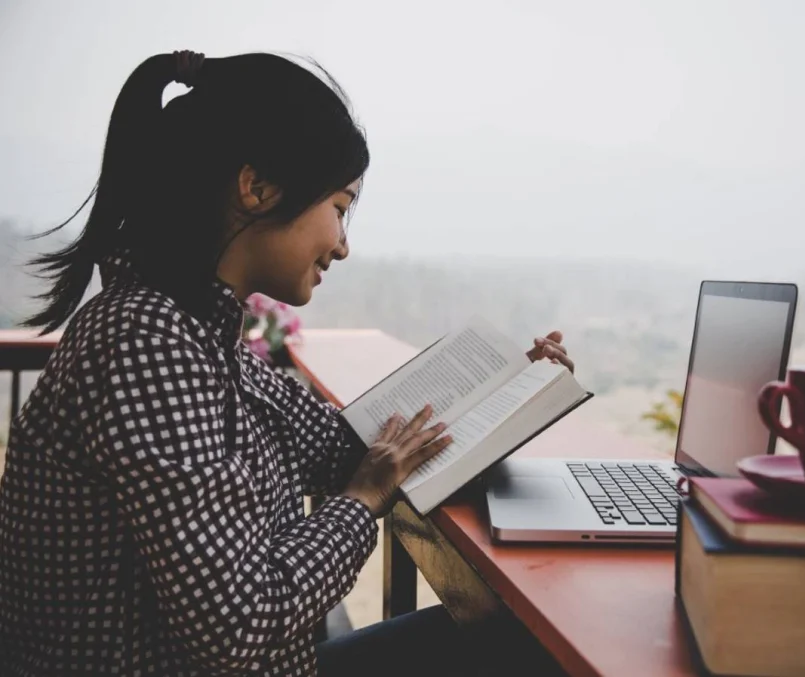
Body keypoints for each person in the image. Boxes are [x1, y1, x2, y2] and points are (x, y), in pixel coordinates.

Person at [0, 51, 573, 676]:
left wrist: (506, 392)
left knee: (507, 633)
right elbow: (239, 627)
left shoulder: (200, 332)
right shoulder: (145, 343)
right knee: (524, 648)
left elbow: (340, 448)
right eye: (339, 207)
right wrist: (362, 502)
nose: (344, 244)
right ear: (257, 189)